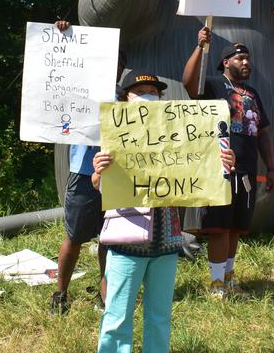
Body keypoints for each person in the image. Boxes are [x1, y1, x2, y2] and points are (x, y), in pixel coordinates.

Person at [91, 70, 236, 352]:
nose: (148, 96)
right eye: (140, 91)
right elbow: (98, 185)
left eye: (154, 92)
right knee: (116, 317)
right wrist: (99, 172)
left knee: (159, 317)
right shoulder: (115, 133)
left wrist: (224, 161)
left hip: (168, 240)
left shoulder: (179, 135)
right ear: (125, 98)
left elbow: (203, 171)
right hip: (126, 240)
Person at [182, 27, 274, 297]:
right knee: (219, 227)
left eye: (247, 58)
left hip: (247, 170)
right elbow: (189, 83)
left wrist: (271, 167)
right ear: (226, 62)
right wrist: (200, 47)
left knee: (236, 227)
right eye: (239, 59)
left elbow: (264, 131)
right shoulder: (213, 84)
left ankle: (229, 277)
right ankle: (216, 284)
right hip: (220, 169)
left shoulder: (253, 94)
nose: (246, 62)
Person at [51, 20, 127, 314]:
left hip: (116, 175)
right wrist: (64, 36)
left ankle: (105, 294)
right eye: (111, 59)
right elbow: (59, 67)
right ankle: (60, 294)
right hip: (84, 172)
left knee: (109, 237)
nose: (115, 65)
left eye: (120, 61)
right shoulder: (79, 86)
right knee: (75, 236)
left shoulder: (128, 96)